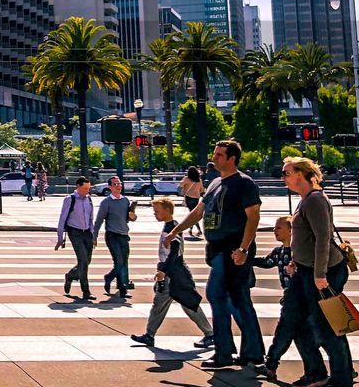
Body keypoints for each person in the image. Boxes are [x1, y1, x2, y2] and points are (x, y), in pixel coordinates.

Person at [166, 140, 265, 370]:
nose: (215, 158)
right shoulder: (214, 184)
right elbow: (198, 212)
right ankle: (251, 352)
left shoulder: (244, 184)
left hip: (233, 249)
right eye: (215, 154)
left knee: (219, 295)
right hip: (218, 249)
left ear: (232, 159)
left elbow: (253, 217)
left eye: (220, 155)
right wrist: (175, 231)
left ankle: (226, 352)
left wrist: (243, 249)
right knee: (236, 300)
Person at [279, 156, 354, 387]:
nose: (283, 177)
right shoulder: (305, 200)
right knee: (298, 321)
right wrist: (295, 260)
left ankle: (342, 382)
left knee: (328, 326)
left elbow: (324, 238)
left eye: (286, 172)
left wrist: (320, 274)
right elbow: (308, 238)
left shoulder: (315, 200)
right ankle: (317, 372)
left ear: (300, 174)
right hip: (306, 270)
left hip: (322, 271)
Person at [130, 197, 214, 349]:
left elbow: (174, 252)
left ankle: (210, 334)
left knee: (187, 304)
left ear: (168, 211)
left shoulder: (172, 228)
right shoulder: (169, 226)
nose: (155, 214)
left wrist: (163, 270)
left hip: (175, 274)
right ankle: (149, 335)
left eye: (157, 211)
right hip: (172, 272)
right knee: (162, 304)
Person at [252, 216, 298, 381]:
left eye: (279, 228)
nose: (274, 231)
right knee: (303, 336)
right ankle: (271, 365)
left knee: (284, 333)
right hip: (290, 297)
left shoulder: (299, 251)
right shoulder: (279, 252)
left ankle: (270, 366)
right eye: (274, 228)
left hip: (298, 298)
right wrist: (247, 259)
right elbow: (266, 262)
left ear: (291, 230)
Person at [94, 176, 136, 298]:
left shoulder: (125, 200)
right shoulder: (106, 202)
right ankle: (110, 278)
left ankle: (121, 287)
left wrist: (133, 216)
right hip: (112, 235)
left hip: (124, 235)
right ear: (110, 187)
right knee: (119, 262)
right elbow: (99, 220)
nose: (118, 186)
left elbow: (129, 218)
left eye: (119, 184)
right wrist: (94, 236)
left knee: (123, 262)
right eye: (115, 184)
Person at [55, 176, 97, 301]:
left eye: (88, 188)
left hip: (87, 233)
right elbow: (62, 218)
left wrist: (93, 235)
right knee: (83, 260)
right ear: (78, 187)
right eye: (85, 188)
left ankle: (71, 275)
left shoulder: (89, 200)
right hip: (75, 232)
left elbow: (90, 219)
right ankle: (86, 291)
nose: (87, 191)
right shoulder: (70, 199)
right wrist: (60, 237)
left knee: (87, 261)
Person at [180, 165, 205, 239]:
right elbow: (201, 190)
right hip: (196, 197)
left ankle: (198, 229)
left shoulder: (187, 178)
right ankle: (192, 229)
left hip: (188, 197)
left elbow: (180, 184)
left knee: (192, 214)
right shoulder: (199, 180)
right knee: (193, 213)